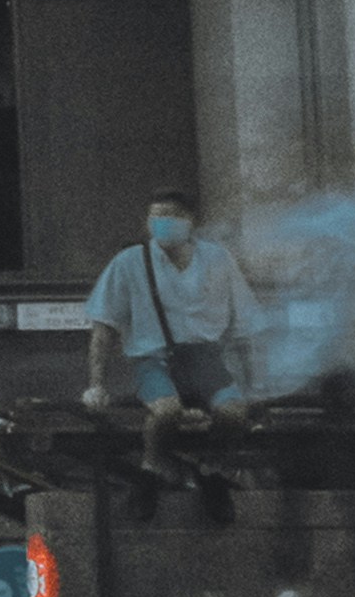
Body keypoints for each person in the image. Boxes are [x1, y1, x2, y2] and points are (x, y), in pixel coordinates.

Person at [233, 186, 355, 597]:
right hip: (296, 396)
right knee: (294, 503)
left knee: (353, 500)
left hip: (334, 392)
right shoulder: (291, 298)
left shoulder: (342, 291)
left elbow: (339, 342)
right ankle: (294, 596)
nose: (310, 258)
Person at [81, 194, 239, 510]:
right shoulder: (128, 263)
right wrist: (96, 384)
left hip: (204, 358)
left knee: (234, 414)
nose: (161, 223)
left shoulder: (216, 260)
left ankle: (214, 470)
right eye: (155, 216)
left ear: (189, 220)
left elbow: (240, 324)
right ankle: (150, 470)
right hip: (154, 360)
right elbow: (103, 329)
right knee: (166, 412)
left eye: (169, 215)